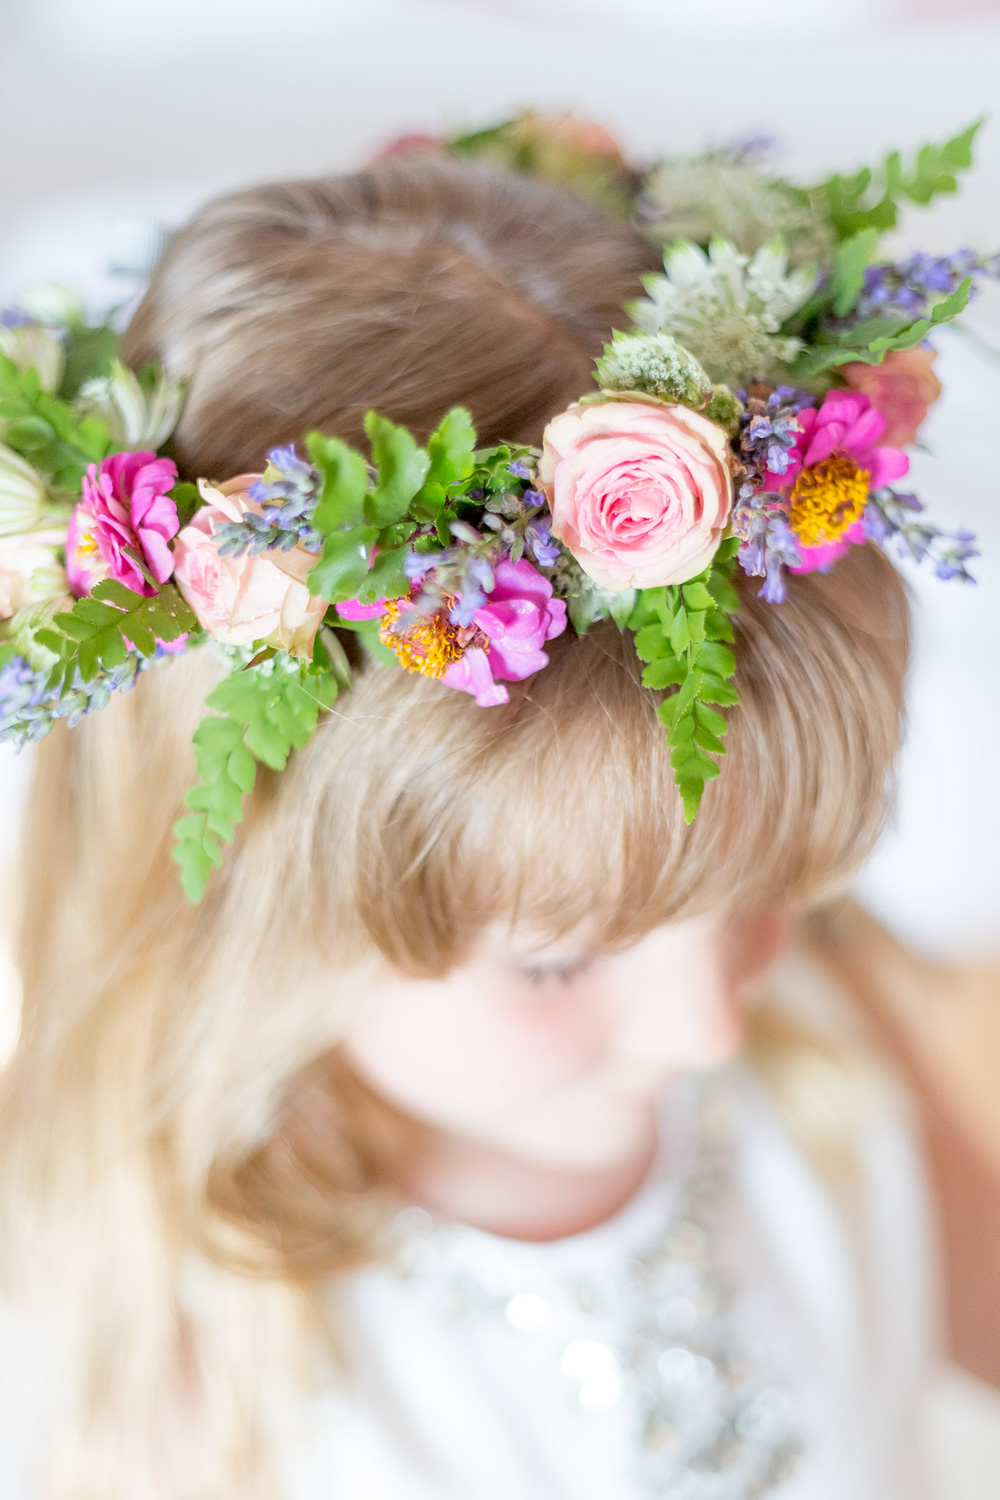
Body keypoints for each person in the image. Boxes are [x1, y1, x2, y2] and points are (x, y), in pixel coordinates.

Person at [0, 155, 935, 1499]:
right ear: (249, 905)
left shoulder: (828, 1091)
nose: (710, 1025)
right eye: (557, 958)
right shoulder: (201, 1379)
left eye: (767, 890)